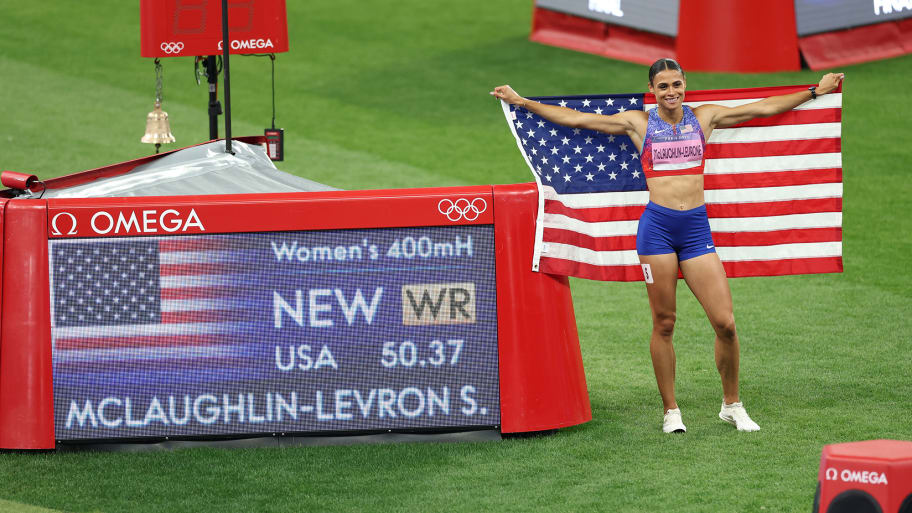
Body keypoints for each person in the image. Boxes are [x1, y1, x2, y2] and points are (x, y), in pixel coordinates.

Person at [491, 59, 844, 433]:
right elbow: (576, 119)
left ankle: (732, 405)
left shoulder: (704, 117)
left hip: (695, 230)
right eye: (663, 87)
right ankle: (671, 410)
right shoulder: (638, 123)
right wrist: (522, 102)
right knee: (664, 322)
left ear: (685, 84)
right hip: (656, 230)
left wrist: (815, 91)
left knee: (725, 322)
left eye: (676, 84)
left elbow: (761, 108)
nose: (671, 92)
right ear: (652, 90)